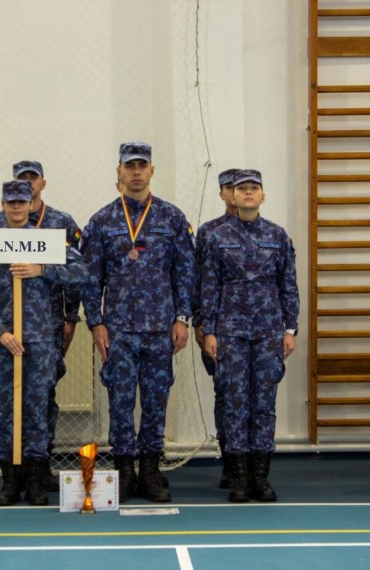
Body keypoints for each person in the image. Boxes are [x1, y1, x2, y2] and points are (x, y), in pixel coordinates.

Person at [80, 142, 195, 503]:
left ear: (151, 170)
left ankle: (151, 470)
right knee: (120, 402)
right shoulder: (101, 221)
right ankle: (124, 472)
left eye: (141, 165)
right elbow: (89, 278)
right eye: (129, 166)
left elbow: (185, 273)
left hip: (160, 327)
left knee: (156, 401)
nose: (135, 172)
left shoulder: (172, 218)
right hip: (118, 330)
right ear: (119, 171)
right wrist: (96, 323)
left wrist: (182, 318)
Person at [0, 180, 87, 506]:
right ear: (3, 205)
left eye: (22, 202)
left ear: (31, 203)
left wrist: (43, 269)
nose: (17, 208)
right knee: (7, 413)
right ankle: (11, 481)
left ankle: (36, 480)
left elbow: (82, 271)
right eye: (11, 203)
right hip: (4, 342)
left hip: (40, 340)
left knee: (37, 410)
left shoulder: (48, 242)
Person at [201, 169, 299, 503]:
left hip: (269, 331)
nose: (247, 193)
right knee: (235, 403)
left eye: (254, 188)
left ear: (263, 196)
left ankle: (261, 477)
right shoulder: (217, 236)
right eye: (241, 188)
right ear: (232, 194)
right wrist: (209, 331)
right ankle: (239, 477)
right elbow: (209, 286)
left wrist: (290, 328)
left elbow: (288, 284)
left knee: (264, 405)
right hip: (230, 331)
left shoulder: (277, 234)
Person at [193, 168, 240, 489]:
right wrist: (199, 323)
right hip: (219, 329)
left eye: (242, 187)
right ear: (222, 193)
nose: (236, 193)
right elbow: (198, 283)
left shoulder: (270, 233)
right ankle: (231, 460)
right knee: (225, 395)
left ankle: (251, 464)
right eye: (229, 188)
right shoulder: (209, 233)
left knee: (253, 398)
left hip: (256, 331)